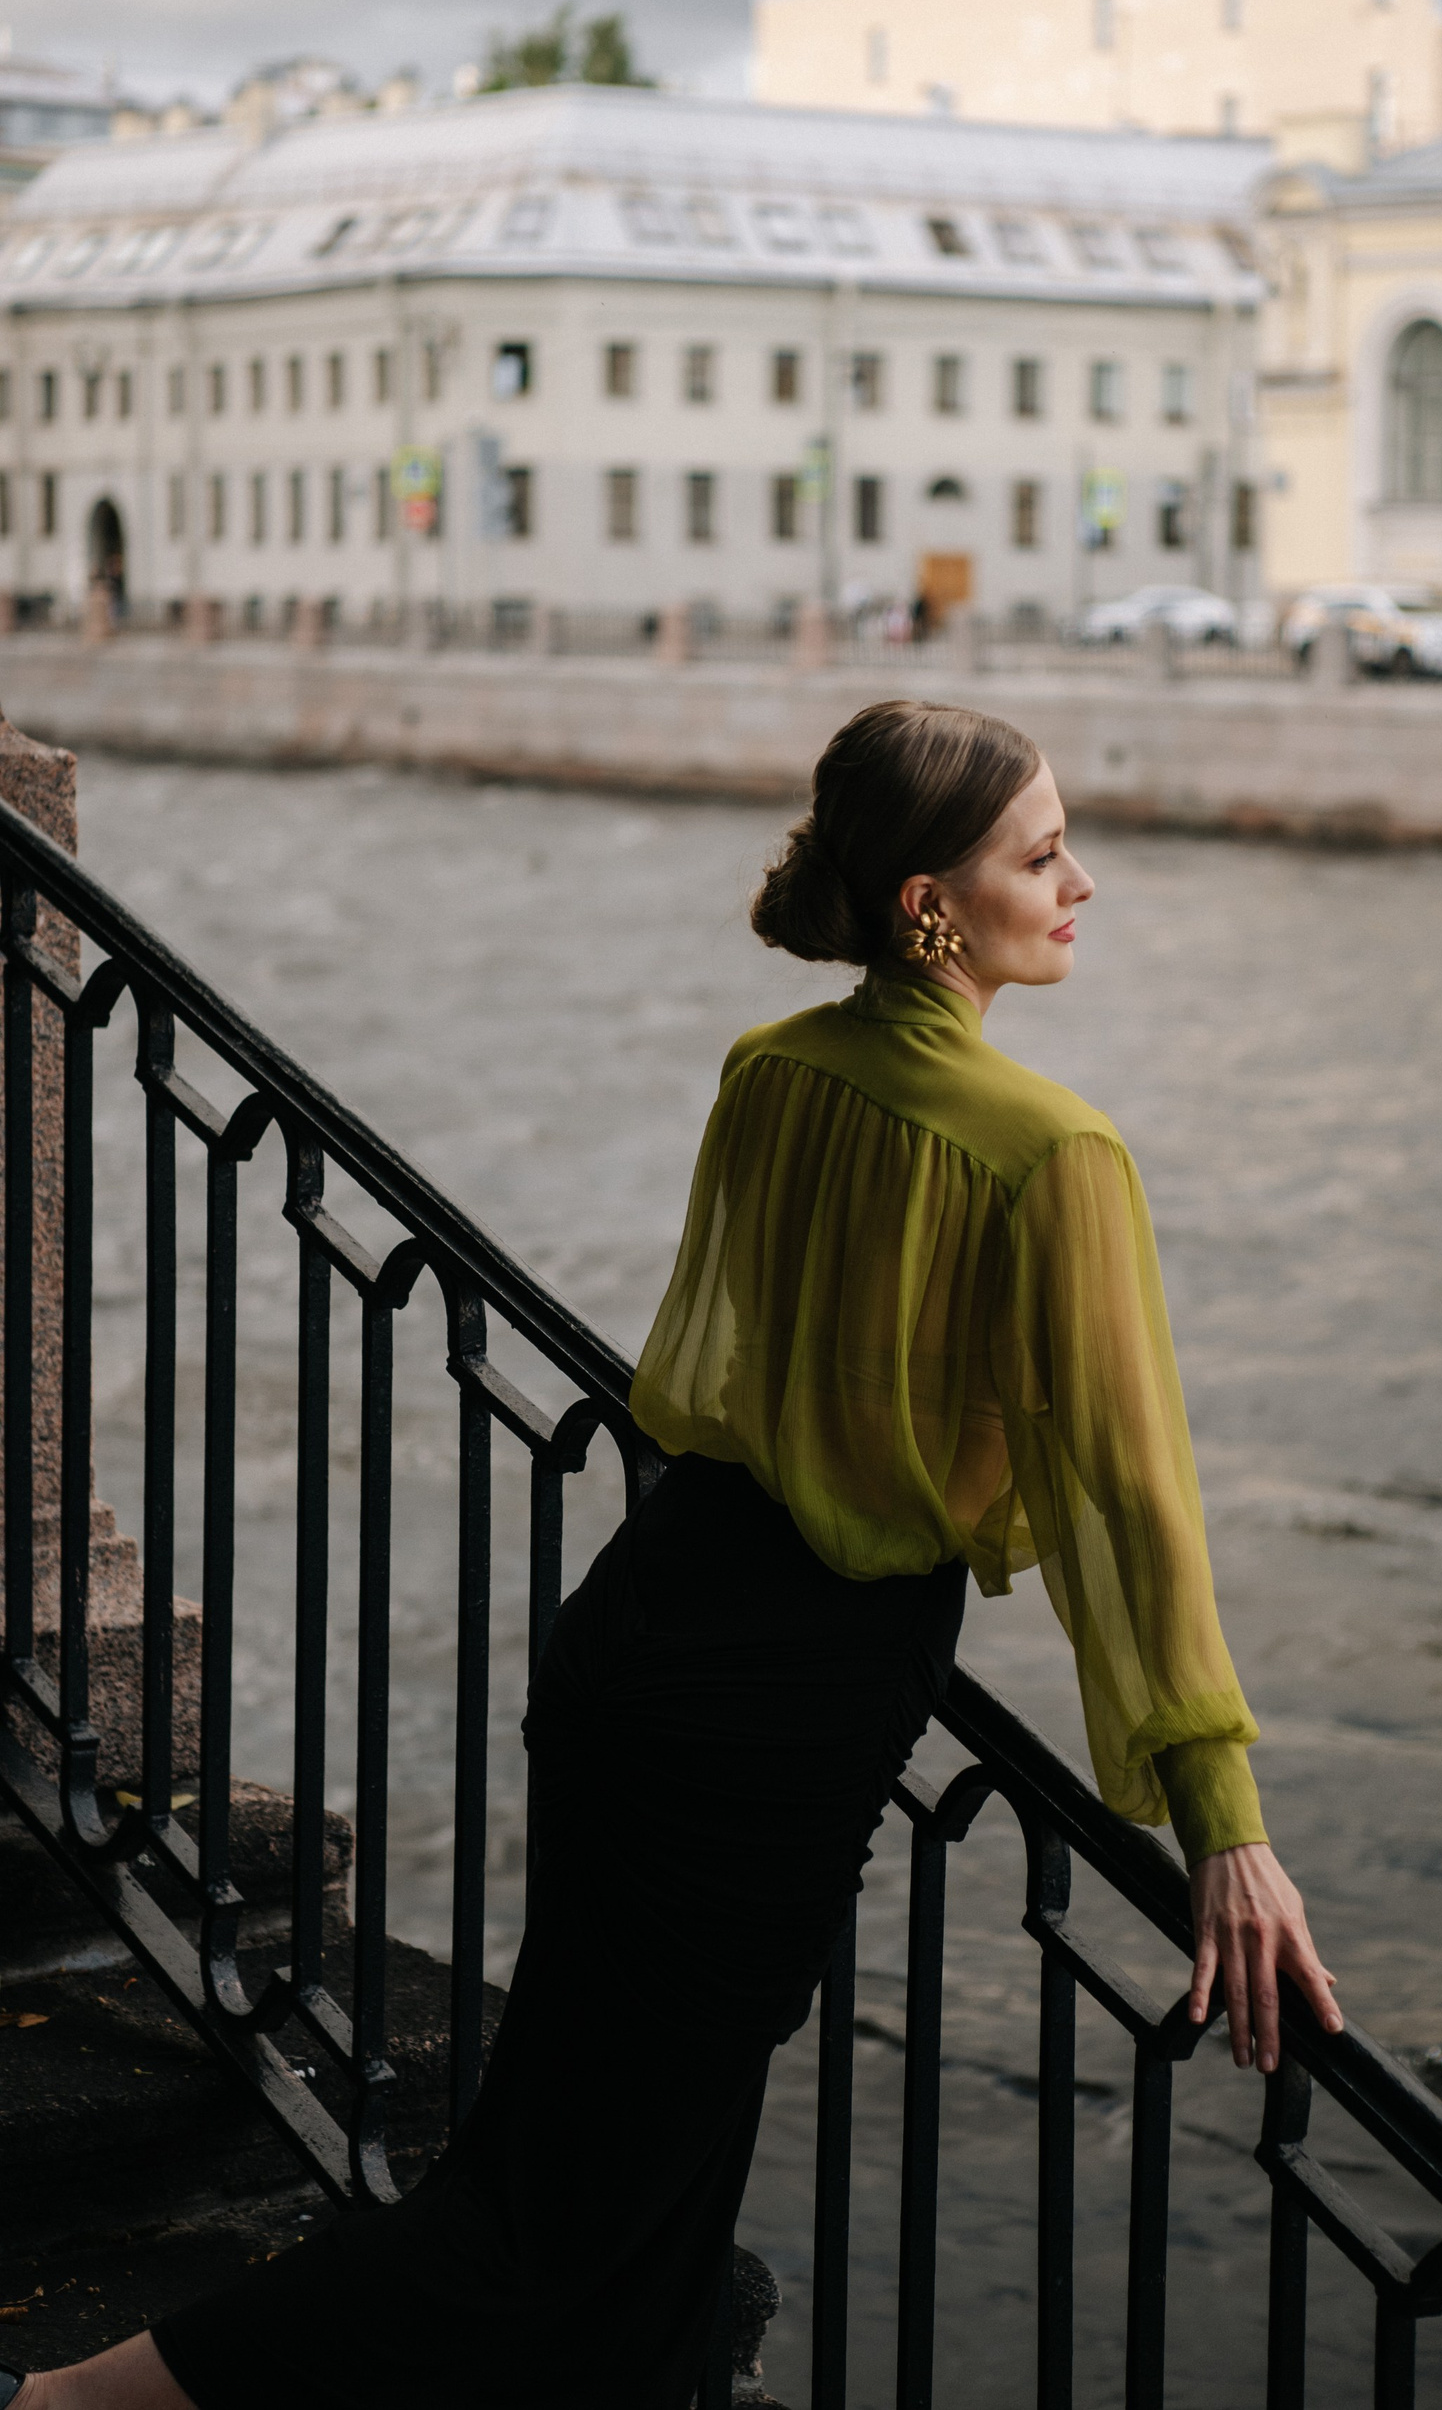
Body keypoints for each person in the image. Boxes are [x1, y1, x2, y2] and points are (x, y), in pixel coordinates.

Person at [7, 696, 1338, 2410]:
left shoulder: (773, 1071)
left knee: (638, 2201)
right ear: (932, 904)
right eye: (1044, 854)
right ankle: (78, 2402)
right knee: (556, 2218)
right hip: (787, 1703)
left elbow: (718, 1383)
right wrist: (1224, 1820)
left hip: (646, 1628)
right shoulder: (1054, 1153)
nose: (1082, 883)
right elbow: (1129, 1503)